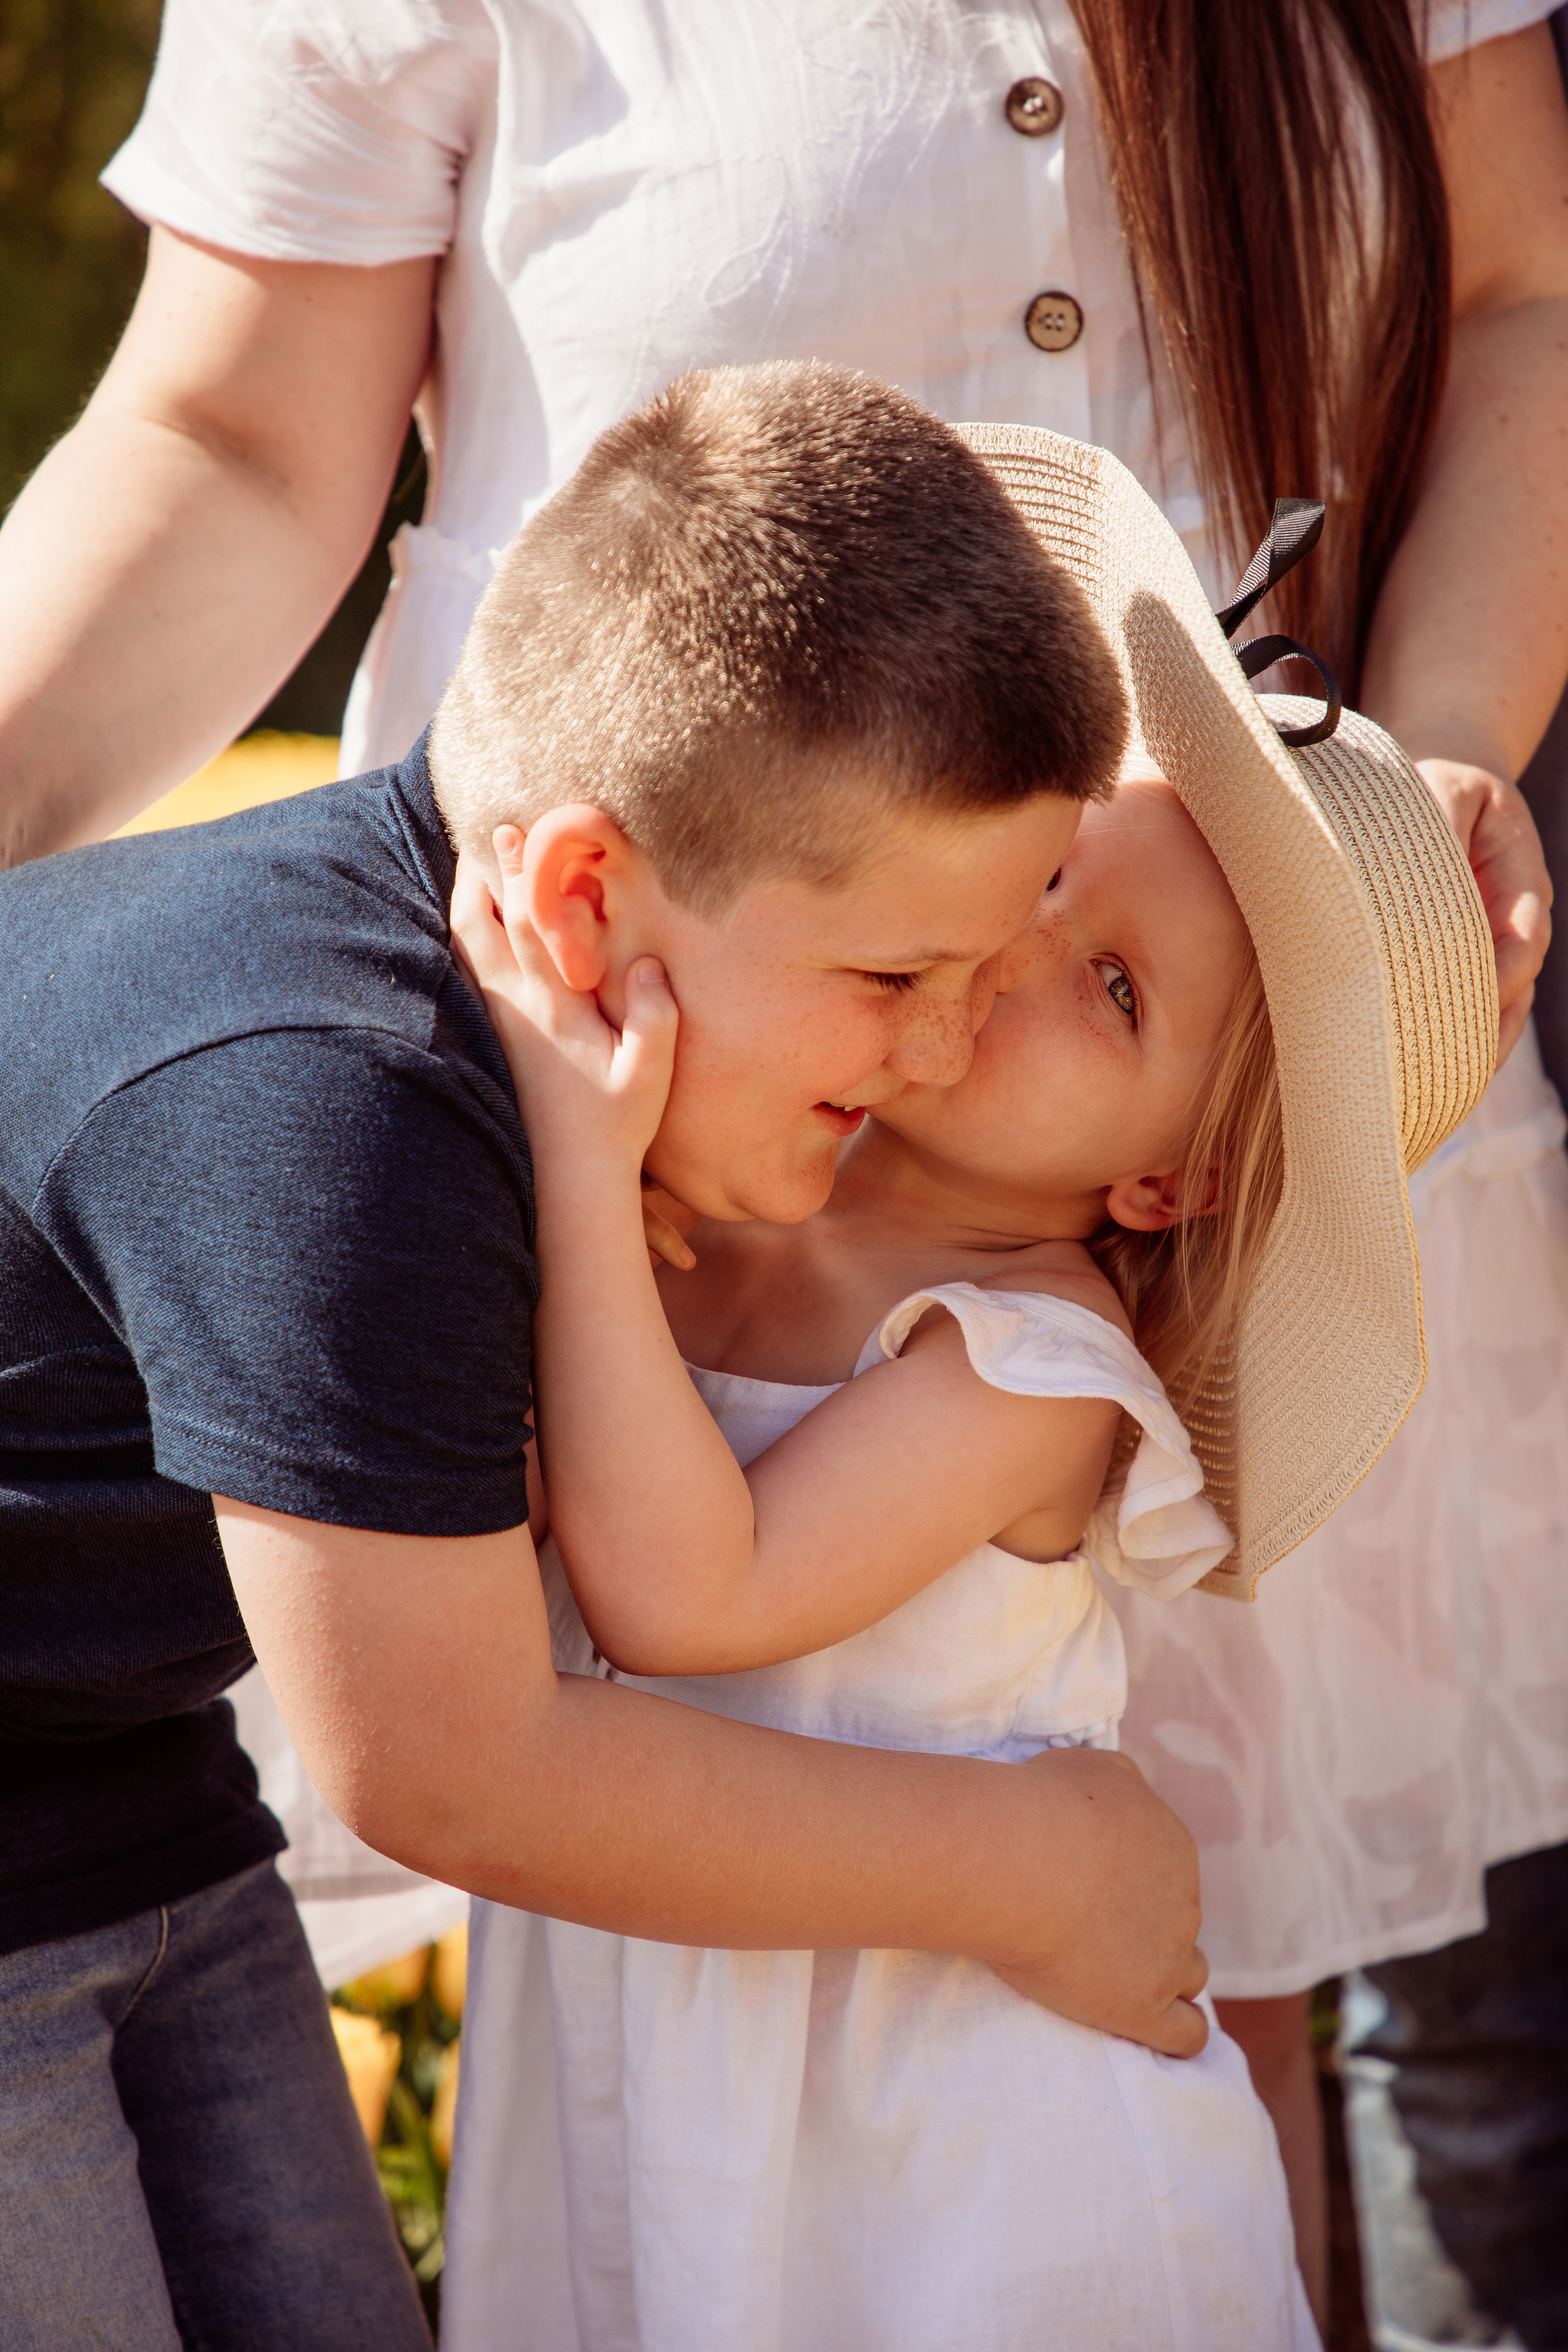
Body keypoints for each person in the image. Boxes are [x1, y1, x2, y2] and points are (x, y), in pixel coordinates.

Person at [1, 0, 1565, 2319]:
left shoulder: (1001, 1329)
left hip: (890, 2107)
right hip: (564, 1920)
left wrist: (1427, 762)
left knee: (1264, 2005)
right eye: (1013, 924)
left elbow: (1521, 281)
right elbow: (229, 423)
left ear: (1171, 1181)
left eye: (1076, 966)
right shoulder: (460, 1139)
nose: (991, 985)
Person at [0, 366, 1206, 2349]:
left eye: (990, 978)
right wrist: (1025, 1864)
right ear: (583, 898)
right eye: (899, 979)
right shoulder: (337, 1104)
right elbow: (454, 1768)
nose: (936, 1054)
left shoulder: (506, 1057)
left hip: (128, 1780)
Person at [437, 420, 1494, 2350]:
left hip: (940, 2129)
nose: (1021, 960)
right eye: (1051, 884)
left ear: (1161, 1179)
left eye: (1114, 996)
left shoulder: (1035, 1365)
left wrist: (579, 1183)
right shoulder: (743, 1190)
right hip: (651, 1997)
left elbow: (690, 1597)